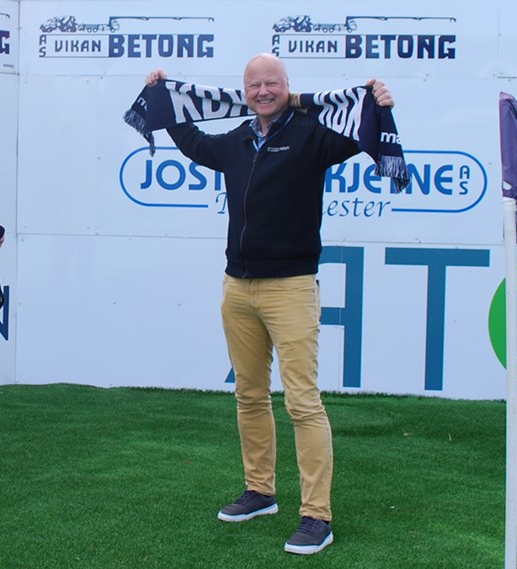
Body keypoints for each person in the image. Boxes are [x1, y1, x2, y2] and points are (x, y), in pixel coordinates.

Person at [145, 53, 395, 555]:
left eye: (272, 83)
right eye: (255, 84)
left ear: (287, 86)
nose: (264, 91)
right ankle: (260, 492)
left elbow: (359, 133)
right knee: (249, 395)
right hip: (237, 288)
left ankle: (316, 516)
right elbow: (196, 144)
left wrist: (380, 107)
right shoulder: (239, 139)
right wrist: (162, 100)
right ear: (245, 90)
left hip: (291, 287)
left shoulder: (312, 134)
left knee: (303, 403)